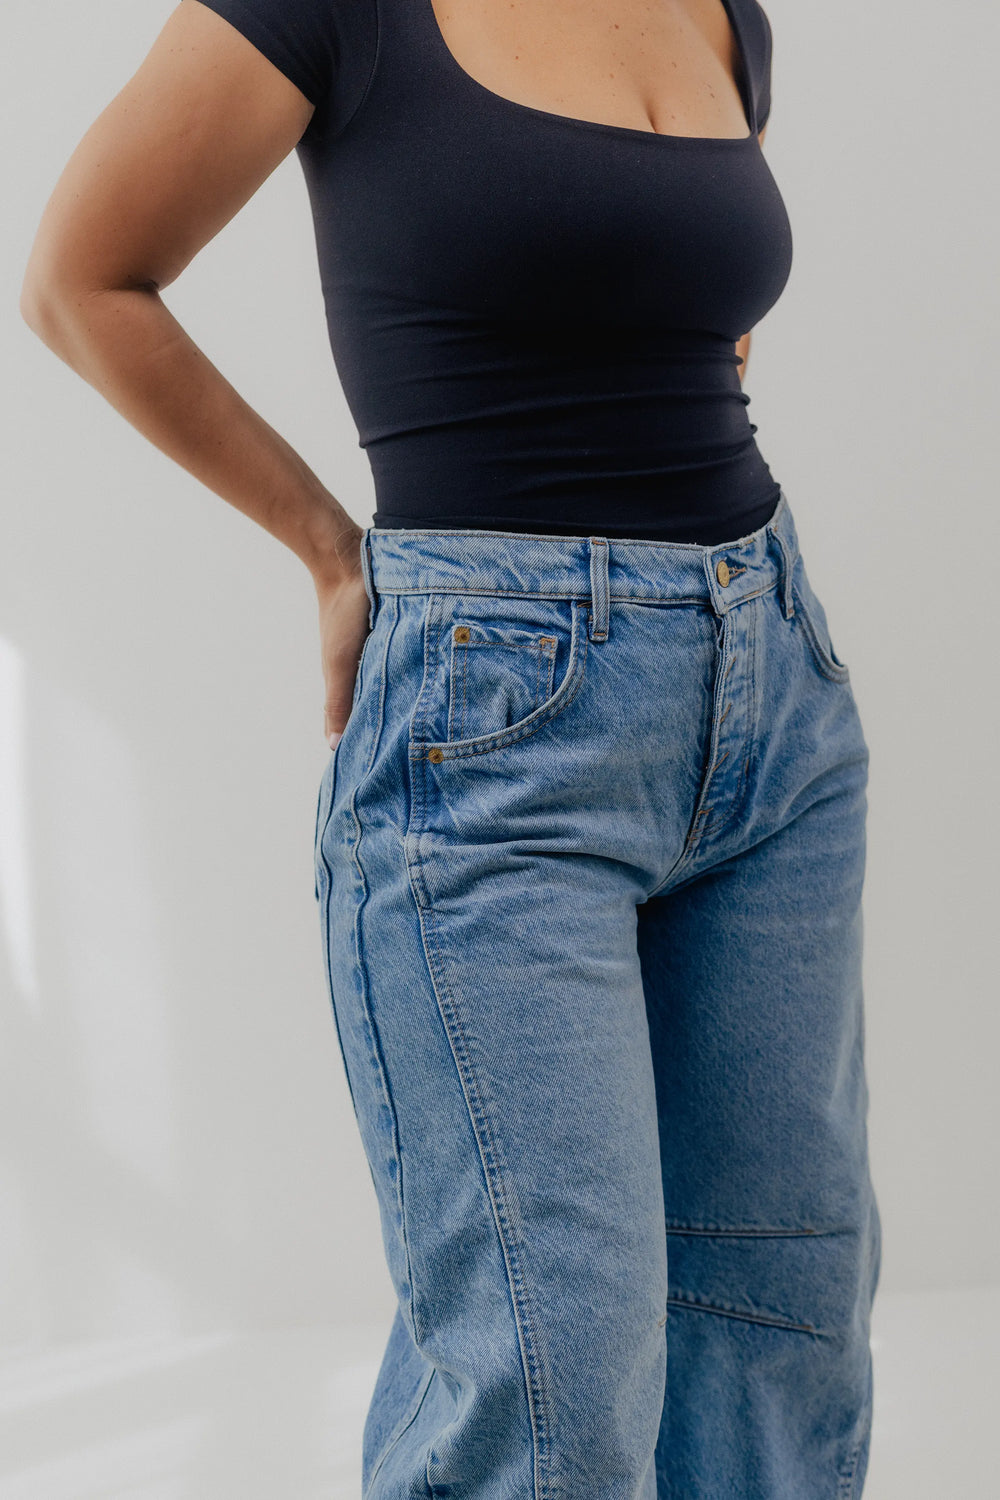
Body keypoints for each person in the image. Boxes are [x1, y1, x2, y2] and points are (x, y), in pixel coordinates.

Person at [20, 0, 882, 1493]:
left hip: (774, 693)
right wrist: (327, 547)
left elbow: (689, 311)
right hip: (491, 730)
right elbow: (81, 278)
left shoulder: (722, 12)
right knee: (551, 1382)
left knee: (777, 1332)